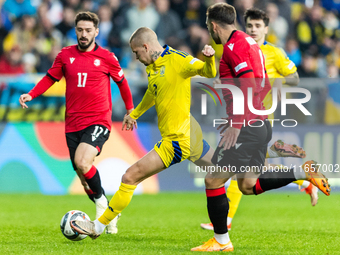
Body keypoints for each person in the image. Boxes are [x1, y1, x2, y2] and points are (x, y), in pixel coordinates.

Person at [191, 3, 330, 252]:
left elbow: (249, 85)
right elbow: (260, 83)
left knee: (213, 180)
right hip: (258, 122)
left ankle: (222, 241)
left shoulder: (235, 47)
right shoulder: (246, 44)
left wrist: (236, 123)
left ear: (213, 25)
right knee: (246, 185)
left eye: (206, 23)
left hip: (246, 125)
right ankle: (301, 174)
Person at [70, 27, 217, 239]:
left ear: (146, 47)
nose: (136, 57)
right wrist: (135, 113)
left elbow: (208, 72)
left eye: (136, 52)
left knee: (129, 177)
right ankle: (258, 174)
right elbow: (152, 91)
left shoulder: (179, 60)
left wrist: (210, 58)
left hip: (178, 139)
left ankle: (98, 226)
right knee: (222, 167)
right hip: (189, 130)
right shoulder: (152, 66)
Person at [19, 11, 134, 234]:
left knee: (83, 161)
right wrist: (31, 94)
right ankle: (111, 211)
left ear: (96, 32)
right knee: (83, 179)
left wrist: (130, 110)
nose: (84, 34)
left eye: (88, 30)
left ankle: (103, 208)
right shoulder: (65, 55)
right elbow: (49, 78)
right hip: (72, 123)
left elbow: (123, 83)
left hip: (98, 120)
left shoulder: (107, 58)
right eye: (80, 30)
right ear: (75, 31)